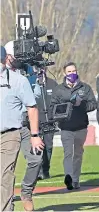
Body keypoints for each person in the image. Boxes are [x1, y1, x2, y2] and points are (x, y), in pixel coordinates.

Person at [1, 46, 44, 212]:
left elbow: (33, 105)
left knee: (6, 173)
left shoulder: (21, 78)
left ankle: (25, 193)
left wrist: (35, 134)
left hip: (17, 128)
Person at [49, 62, 97, 190]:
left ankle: (76, 179)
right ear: (64, 73)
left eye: (74, 71)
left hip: (81, 126)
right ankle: (68, 177)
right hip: (65, 127)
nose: (72, 73)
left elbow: (93, 104)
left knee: (78, 154)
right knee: (68, 153)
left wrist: (81, 105)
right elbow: (52, 107)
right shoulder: (59, 89)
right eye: (69, 72)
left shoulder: (85, 88)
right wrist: (63, 109)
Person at [35, 67, 59, 180]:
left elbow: (58, 101)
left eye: (41, 68)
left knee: (48, 147)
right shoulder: (31, 83)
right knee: (37, 147)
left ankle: (45, 170)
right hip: (36, 121)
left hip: (50, 121)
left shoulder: (53, 84)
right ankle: (38, 171)